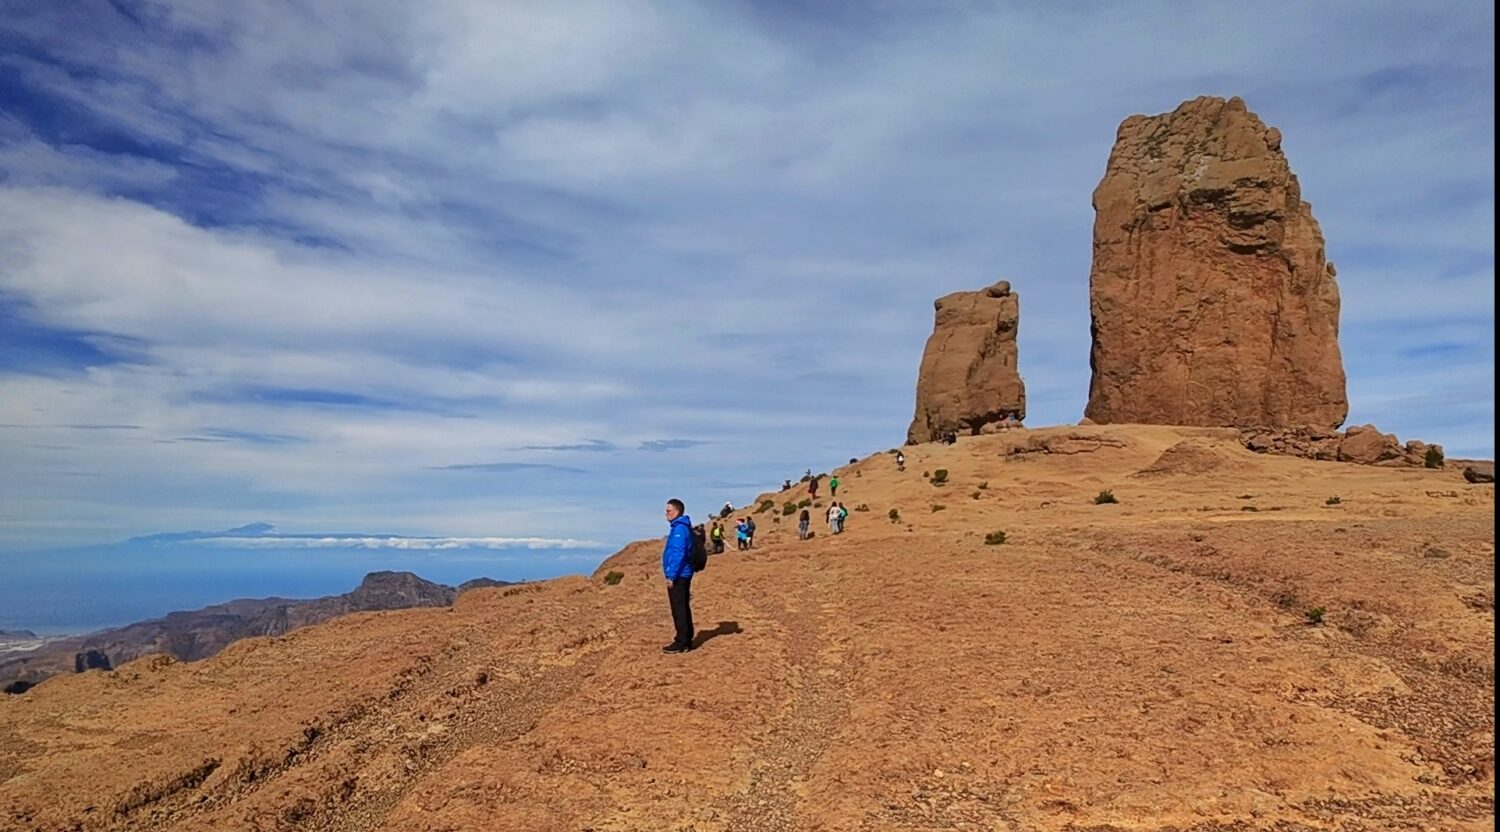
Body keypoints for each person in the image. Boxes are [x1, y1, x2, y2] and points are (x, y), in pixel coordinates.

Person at [661, 498, 696, 653]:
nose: (666, 514)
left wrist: (671, 575)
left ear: (677, 511)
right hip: (683, 573)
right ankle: (686, 640)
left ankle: (681, 642)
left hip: (680, 574)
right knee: (682, 606)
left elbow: (678, 553)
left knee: (679, 608)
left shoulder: (679, 530)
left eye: (668, 511)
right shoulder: (680, 527)